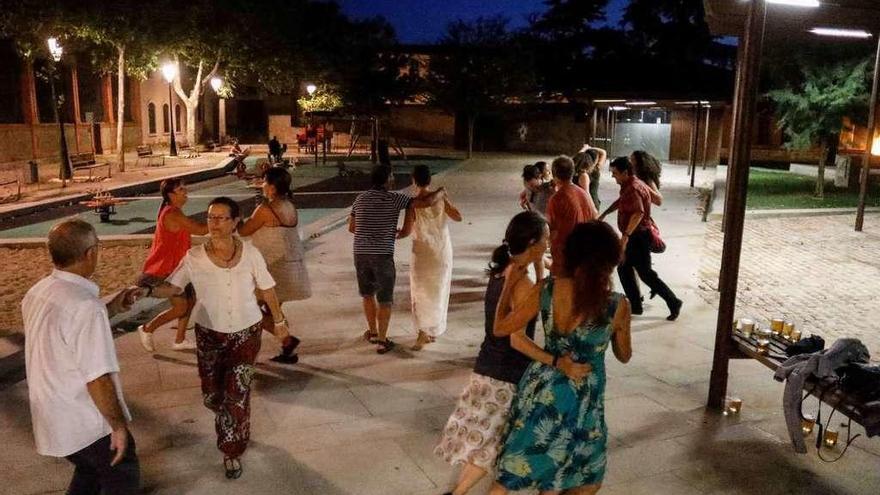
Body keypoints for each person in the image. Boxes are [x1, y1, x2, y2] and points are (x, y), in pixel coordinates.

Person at [435, 211, 586, 495]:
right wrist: (555, 361)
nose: (550, 242)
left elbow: (536, 295)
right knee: (491, 444)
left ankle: (457, 493)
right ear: (532, 240)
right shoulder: (520, 282)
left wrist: (539, 265)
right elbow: (517, 340)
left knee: (486, 441)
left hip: (488, 366)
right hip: (505, 374)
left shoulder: (504, 269)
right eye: (545, 238)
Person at [148, 197, 292, 479]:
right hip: (209, 333)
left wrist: (279, 321)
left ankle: (231, 450)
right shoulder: (194, 257)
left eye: (221, 218)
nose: (212, 223)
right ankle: (234, 423)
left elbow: (267, 290)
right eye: (211, 217)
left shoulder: (251, 254)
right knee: (214, 396)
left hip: (246, 332)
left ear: (235, 222)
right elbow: (172, 287)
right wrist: (145, 291)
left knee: (236, 395)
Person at [491, 221, 633, 495]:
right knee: (586, 477)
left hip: (543, 390)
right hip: (584, 401)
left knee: (529, 466)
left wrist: (508, 285)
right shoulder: (617, 305)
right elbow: (624, 355)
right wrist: (617, 329)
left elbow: (500, 328)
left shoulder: (548, 289)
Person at [22, 219, 142, 494]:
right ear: (90, 254)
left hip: (52, 415)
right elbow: (97, 378)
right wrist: (118, 426)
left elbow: (64, 331)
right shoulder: (85, 307)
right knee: (122, 475)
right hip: (85, 420)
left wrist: (111, 308)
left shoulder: (37, 293)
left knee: (89, 471)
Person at [349, 164, 445, 354]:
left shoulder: (360, 199)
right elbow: (425, 203)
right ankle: (383, 341)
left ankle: (373, 332)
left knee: (367, 294)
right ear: (388, 180)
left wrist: (372, 231)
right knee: (385, 298)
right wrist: (441, 192)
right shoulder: (394, 198)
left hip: (360, 253)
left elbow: (352, 227)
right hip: (382, 254)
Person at [239, 167, 310, 363]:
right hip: (289, 265)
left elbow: (245, 231)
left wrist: (237, 219)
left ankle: (287, 340)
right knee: (272, 311)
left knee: (249, 307)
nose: (261, 185)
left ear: (271, 187)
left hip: (272, 266)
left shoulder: (265, 209)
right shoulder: (290, 206)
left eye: (264, 182)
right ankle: (287, 348)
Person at [599, 157, 682, 321]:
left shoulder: (633, 188)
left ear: (625, 172)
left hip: (638, 237)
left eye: (615, 173)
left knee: (646, 274)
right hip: (636, 236)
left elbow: (639, 212)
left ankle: (673, 301)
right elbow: (622, 201)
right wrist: (605, 213)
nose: (613, 177)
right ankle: (636, 305)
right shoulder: (631, 184)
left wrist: (626, 237)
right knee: (624, 269)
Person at [137, 178, 207, 352]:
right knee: (181, 306)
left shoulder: (175, 211)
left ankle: (180, 340)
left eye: (185, 188)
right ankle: (147, 328)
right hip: (163, 270)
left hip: (180, 267)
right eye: (181, 190)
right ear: (171, 195)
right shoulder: (171, 214)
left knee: (190, 300)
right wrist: (223, 220)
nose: (185, 192)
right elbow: (199, 229)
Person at [408, 165, 462, 351]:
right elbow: (458, 217)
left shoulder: (413, 203)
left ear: (413, 180)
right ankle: (432, 329)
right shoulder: (440, 198)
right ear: (430, 180)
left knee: (420, 289)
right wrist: (443, 196)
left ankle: (422, 332)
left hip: (422, 250)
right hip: (441, 249)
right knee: (438, 288)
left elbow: (407, 231)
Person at [544, 155, 597, 275]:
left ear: (554, 175)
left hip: (565, 255)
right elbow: (595, 216)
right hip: (584, 253)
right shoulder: (583, 193)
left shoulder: (557, 199)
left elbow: (551, 230)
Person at [574, 144, 607, 210]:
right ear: (595, 160)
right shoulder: (596, 169)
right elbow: (603, 152)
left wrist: (585, 148)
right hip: (592, 202)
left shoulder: (577, 169)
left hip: (579, 203)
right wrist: (590, 148)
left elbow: (579, 156)